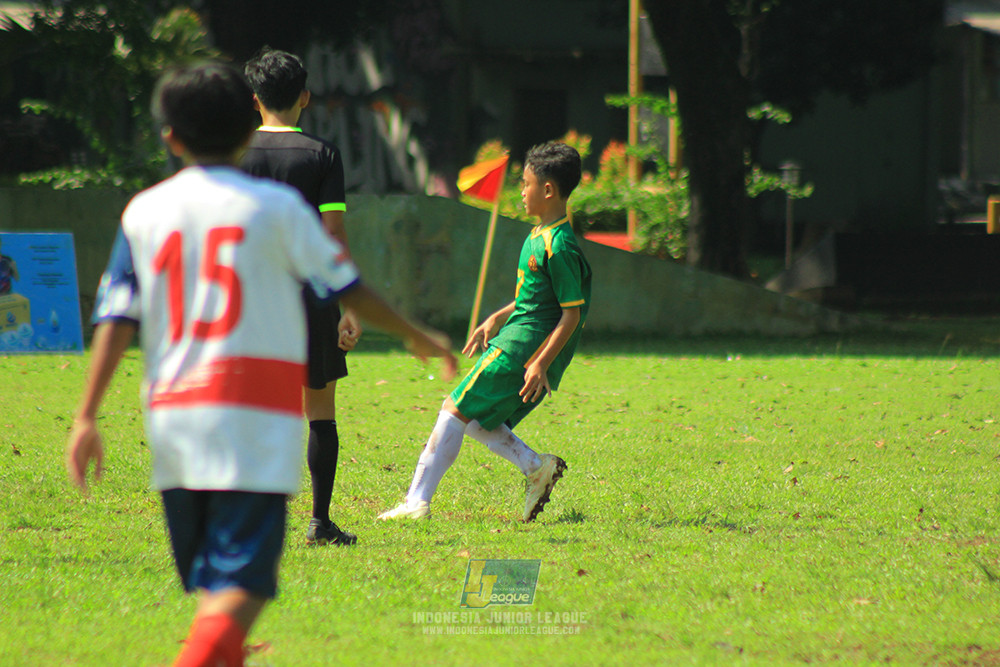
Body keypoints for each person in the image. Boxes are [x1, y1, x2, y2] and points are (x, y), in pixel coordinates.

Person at [65, 62, 455, 667]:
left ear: (171, 137)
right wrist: (416, 334)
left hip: (173, 411)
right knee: (244, 585)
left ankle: (222, 649)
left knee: (208, 578)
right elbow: (345, 281)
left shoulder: (144, 211)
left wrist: (87, 415)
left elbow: (115, 315)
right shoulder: (278, 210)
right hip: (254, 408)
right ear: (245, 129)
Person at [378, 142, 591, 523]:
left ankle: (416, 503)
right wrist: (497, 316)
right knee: (479, 421)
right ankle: (535, 467)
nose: (521, 191)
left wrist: (541, 362)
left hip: (520, 349)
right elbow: (534, 298)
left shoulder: (558, 245)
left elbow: (571, 314)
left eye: (525, 184)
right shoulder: (539, 234)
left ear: (547, 190)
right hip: (516, 339)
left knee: (454, 409)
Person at [241, 47, 360, 547]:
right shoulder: (321, 154)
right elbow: (332, 236)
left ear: (255, 100)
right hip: (311, 298)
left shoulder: (233, 152)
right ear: (305, 97)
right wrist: (350, 305)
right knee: (320, 410)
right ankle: (319, 523)